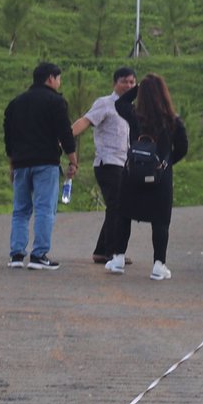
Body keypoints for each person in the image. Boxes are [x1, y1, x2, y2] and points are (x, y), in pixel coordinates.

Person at [107, 73, 190, 280]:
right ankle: (158, 265)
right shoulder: (172, 121)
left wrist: (140, 87)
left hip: (132, 175)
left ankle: (118, 258)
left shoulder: (135, 116)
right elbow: (183, 148)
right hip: (159, 180)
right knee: (160, 222)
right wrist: (166, 164)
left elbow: (120, 103)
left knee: (124, 215)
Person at [2, 61, 77, 269]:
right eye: (58, 78)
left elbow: (9, 137)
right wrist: (73, 160)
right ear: (50, 78)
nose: (59, 83)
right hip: (46, 163)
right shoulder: (55, 102)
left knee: (20, 210)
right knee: (45, 209)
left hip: (20, 163)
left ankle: (16, 255)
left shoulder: (15, 103)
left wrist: (12, 162)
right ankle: (39, 255)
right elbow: (65, 133)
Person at [70, 66, 138, 268]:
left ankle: (101, 251)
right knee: (117, 205)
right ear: (115, 83)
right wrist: (66, 137)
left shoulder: (132, 108)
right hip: (107, 162)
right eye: (124, 81)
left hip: (126, 163)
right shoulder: (105, 104)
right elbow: (85, 121)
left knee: (117, 206)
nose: (128, 85)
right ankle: (112, 251)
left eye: (132, 82)